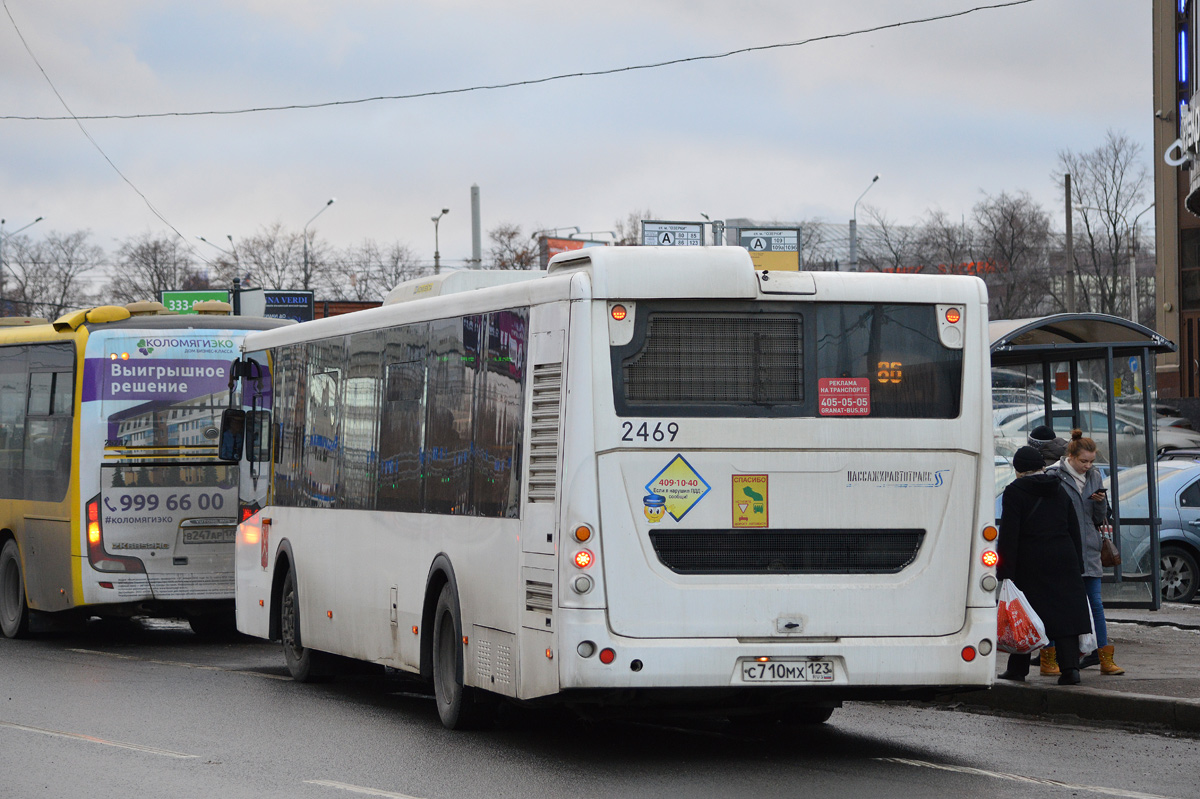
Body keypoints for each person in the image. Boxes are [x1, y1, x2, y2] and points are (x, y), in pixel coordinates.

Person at [996, 446, 1093, 685]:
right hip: (1063, 557)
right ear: (1041, 466)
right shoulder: (1058, 489)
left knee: (1025, 614)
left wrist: (1005, 570)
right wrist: (1077, 563)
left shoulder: (1014, 492)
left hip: (1031, 560)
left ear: (1018, 469)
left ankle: (1018, 669)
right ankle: (1070, 669)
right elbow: (1073, 528)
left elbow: (1010, 533)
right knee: (1065, 616)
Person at [1046, 429, 1125, 676]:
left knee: (1096, 604)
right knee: (1057, 605)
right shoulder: (1053, 475)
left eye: (1091, 461)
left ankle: (1104, 659)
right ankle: (1049, 658)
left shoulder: (1095, 476)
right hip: (1063, 551)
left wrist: (1101, 503)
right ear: (1071, 456)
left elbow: (1099, 518)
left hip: (1090, 550)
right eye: (1083, 461)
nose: (1087, 466)